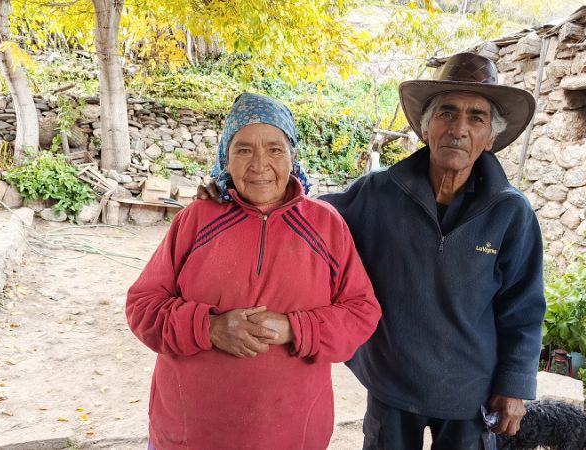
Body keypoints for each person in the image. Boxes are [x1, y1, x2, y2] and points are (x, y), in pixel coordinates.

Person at [196, 52, 547, 450]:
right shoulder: (381, 192)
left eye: (476, 118)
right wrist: (230, 188)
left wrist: (514, 386)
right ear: (426, 127)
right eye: (447, 113)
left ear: (491, 138)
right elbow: (304, 213)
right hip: (391, 384)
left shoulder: (510, 212)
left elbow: (523, 308)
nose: (459, 129)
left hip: (470, 391)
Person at [126, 93, 381, 450]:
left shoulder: (326, 225)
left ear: (292, 156)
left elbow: (361, 312)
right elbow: (142, 306)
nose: (260, 164)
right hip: (190, 435)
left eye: (275, 149)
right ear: (225, 158)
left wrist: (297, 328)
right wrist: (210, 328)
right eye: (243, 149)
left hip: (292, 434)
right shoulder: (196, 220)